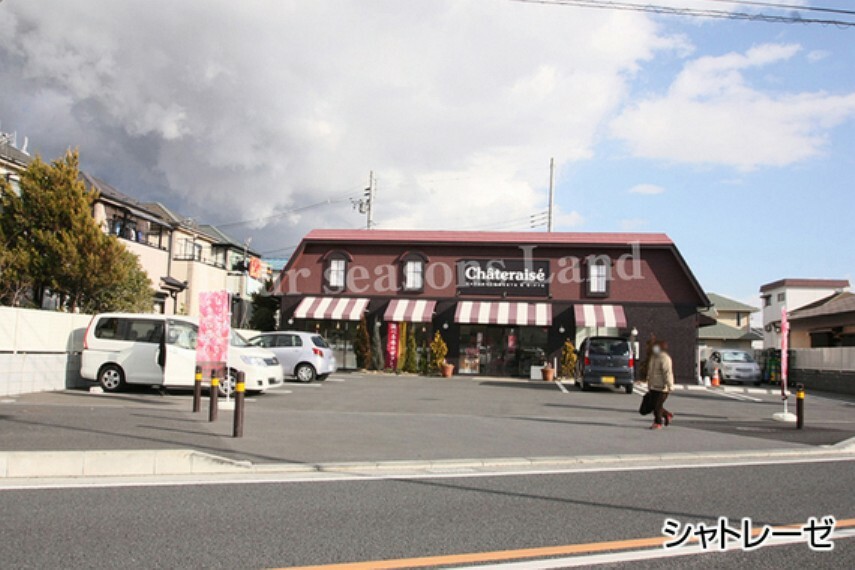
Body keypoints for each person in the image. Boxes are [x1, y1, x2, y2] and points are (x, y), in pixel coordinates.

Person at [646, 340, 675, 430]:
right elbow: (650, 372)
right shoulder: (653, 357)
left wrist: (670, 385)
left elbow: (668, 373)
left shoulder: (665, 358)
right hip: (653, 385)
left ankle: (658, 423)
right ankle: (667, 414)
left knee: (657, 406)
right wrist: (649, 383)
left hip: (662, 387)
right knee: (654, 405)